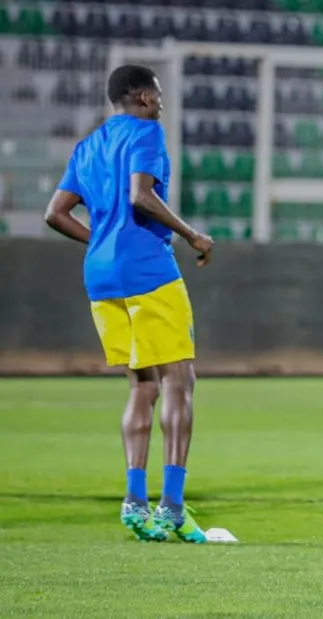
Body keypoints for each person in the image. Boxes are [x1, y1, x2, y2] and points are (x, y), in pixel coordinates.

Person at [43, 64, 213, 543]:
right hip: (147, 271)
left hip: (102, 279)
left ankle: (135, 502)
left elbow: (55, 213)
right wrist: (192, 235)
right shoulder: (146, 132)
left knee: (142, 385)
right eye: (157, 94)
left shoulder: (88, 146)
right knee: (179, 381)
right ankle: (172, 506)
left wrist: (101, 241)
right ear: (141, 97)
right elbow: (141, 195)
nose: (161, 102)